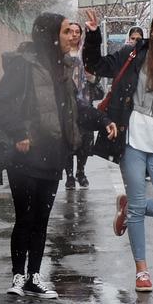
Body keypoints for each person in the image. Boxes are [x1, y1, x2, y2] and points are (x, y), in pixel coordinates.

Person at [0, 13, 116, 299]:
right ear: (51, 35)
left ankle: (34, 277)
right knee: (25, 217)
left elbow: (75, 108)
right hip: (25, 155)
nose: (73, 36)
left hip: (52, 155)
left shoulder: (63, 68)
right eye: (67, 31)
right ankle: (18, 276)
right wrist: (19, 133)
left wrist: (103, 120)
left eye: (74, 32)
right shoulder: (24, 66)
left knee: (41, 219)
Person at [83, 9, 153, 293]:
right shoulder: (134, 55)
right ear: (152, 31)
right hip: (131, 141)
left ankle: (129, 209)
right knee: (137, 206)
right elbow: (94, 64)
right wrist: (94, 35)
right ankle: (142, 270)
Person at [63, 22, 95, 189]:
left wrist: (92, 78)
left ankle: (80, 171)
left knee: (85, 138)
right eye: (71, 31)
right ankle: (69, 176)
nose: (74, 34)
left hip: (85, 100)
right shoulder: (61, 53)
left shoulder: (85, 53)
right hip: (67, 100)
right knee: (68, 138)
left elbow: (93, 73)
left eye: (77, 31)